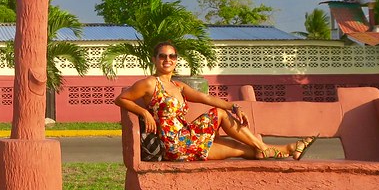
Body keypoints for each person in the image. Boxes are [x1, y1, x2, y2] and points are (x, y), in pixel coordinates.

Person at [114, 40, 317, 161]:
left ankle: (290, 149)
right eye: (162, 56)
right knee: (220, 115)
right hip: (173, 144)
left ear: (176, 59)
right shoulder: (150, 83)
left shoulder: (178, 86)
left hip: (187, 140)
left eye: (172, 56)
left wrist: (234, 106)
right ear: (154, 59)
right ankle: (265, 147)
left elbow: (206, 98)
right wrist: (145, 112)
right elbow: (121, 99)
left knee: (242, 149)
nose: (168, 60)